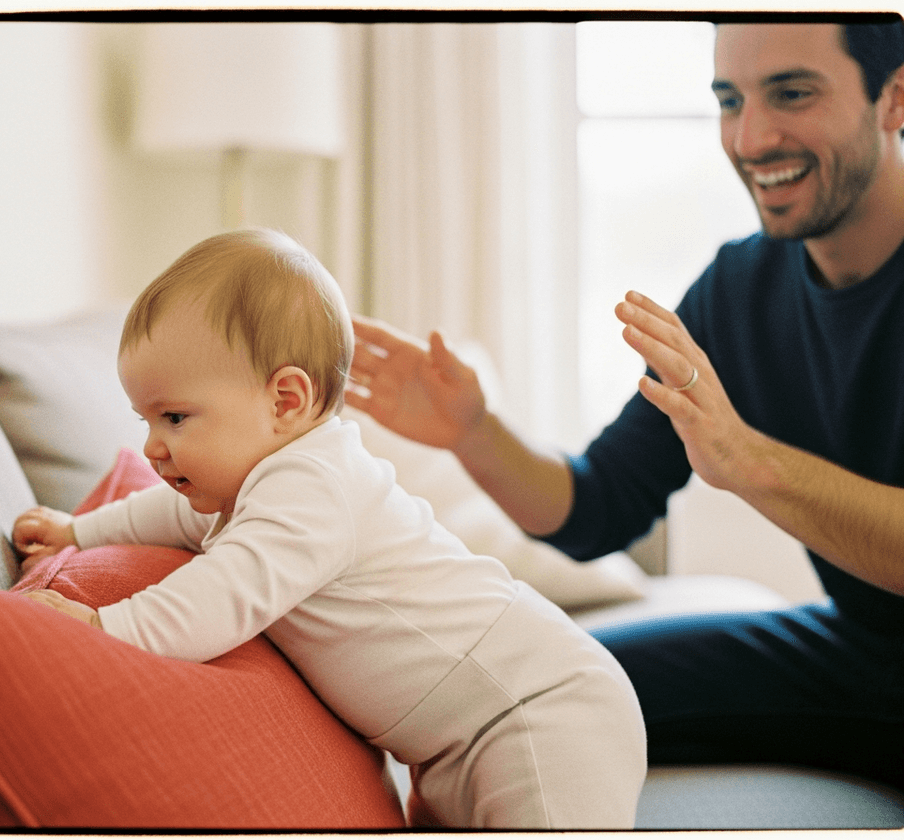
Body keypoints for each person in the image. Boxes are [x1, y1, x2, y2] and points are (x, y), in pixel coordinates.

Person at [346, 21, 904, 791]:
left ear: (894, 98)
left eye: (792, 93)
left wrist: (750, 463)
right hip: (864, 654)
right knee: (547, 688)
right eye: (728, 99)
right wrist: (474, 434)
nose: (750, 136)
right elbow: (599, 509)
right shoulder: (740, 291)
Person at [12, 228, 646, 829]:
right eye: (146, 420)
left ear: (286, 401)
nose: (152, 446)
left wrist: (104, 628)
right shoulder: (247, 485)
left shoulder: (312, 487)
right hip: (449, 742)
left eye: (175, 417)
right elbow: (167, 512)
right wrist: (80, 533)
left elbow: (224, 594)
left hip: (536, 708)